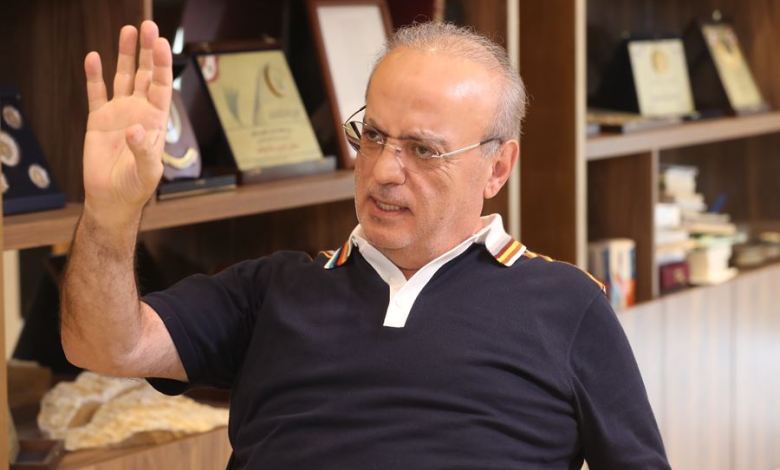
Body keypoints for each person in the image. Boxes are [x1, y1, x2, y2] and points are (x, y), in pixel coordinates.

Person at [60, 19, 671, 469]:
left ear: (497, 167)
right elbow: (104, 344)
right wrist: (110, 214)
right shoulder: (271, 291)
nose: (382, 171)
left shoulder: (566, 305)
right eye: (373, 136)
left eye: (423, 150)